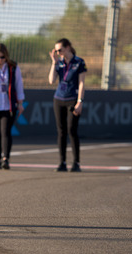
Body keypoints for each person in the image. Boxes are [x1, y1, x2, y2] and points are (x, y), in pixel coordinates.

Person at [48, 38, 86, 172]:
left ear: (68, 48)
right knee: (61, 131)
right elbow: (51, 80)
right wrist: (54, 63)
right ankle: (62, 162)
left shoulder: (79, 62)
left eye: (60, 50)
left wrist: (80, 102)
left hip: (72, 99)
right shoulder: (59, 63)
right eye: (56, 51)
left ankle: (76, 162)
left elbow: (81, 83)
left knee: (72, 130)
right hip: (59, 99)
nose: (58, 53)